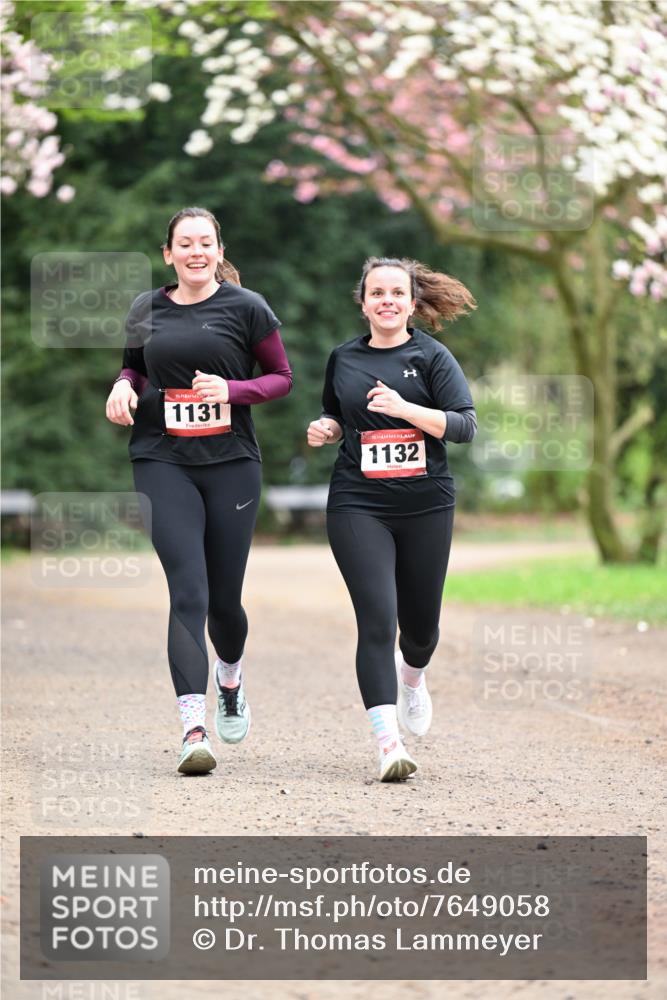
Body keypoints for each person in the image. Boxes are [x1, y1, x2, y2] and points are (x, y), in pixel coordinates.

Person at [106, 207, 292, 775]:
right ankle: (193, 728)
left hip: (232, 463)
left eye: (205, 242)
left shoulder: (247, 307)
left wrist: (232, 390)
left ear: (218, 250)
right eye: (184, 243)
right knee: (188, 591)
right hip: (162, 459)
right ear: (168, 254)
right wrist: (122, 386)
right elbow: (135, 368)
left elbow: (281, 378)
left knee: (224, 602)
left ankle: (229, 678)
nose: (195, 252)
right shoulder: (146, 308)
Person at [307, 257, 476, 782]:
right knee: (378, 620)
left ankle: (413, 676)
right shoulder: (344, 357)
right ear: (363, 303)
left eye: (397, 293)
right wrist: (328, 428)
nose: (387, 301)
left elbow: (464, 426)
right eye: (377, 293)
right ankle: (388, 745)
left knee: (420, 630)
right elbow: (338, 412)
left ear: (412, 303)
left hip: (426, 504)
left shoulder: (432, 357)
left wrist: (405, 409)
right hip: (358, 502)